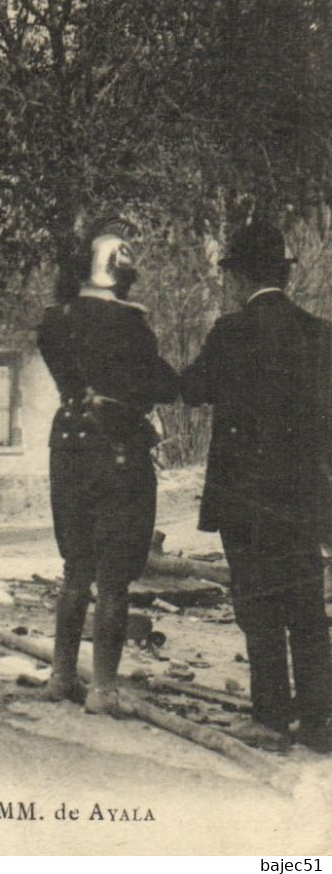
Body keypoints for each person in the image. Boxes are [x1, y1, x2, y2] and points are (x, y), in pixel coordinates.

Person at [179, 221, 332, 752]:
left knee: (259, 608)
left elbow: (192, 391)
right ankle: (319, 724)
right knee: (308, 610)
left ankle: (270, 720)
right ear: (283, 276)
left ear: (240, 277)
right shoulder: (321, 334)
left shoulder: (231, 333)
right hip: (306, 499)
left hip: (244, 501)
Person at [36, 220, 178, 716]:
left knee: (76, 568)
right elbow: (164, 386)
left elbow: (64, 367)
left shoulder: (55, 321)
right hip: (119, 447)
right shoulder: (132, 326)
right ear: (121, 274)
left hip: (69, 443)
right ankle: (103, 689)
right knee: (115, 579)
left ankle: (59, 677)